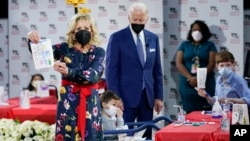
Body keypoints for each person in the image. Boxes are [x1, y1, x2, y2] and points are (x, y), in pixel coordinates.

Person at [27, 13, 105, 141]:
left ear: (92, 31)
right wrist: (32, 39)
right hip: (68, 104)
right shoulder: (63, 49)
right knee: (67, 134)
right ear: (73, 33)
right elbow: (40, 52)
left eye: (86, 28)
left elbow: (93, 75)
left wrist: (69, 71)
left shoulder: (98, 52)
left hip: (90, 103)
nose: (83, 32)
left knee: (91, 135)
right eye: (79, 29)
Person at [105, 2, 163, 139]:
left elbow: (157, 69)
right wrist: (115, 99)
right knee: (125, 136)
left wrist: (158, 96)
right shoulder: (117, 38)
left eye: (141, 20)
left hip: (147, 97)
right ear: (129, 18)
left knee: (147, 134)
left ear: (146, 19)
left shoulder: (153, 38)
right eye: (135, 20)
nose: (138, 22)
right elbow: (111, 71)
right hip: (124, 98)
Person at [175, 20, 217, 114]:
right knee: (190, 113)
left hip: (205, 84)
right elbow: (179, 63)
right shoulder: (185, 45)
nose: (197, 32)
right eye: (194, 30)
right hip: (187, 84)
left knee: (206, 111)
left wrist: (199, 79)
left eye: (199, 30)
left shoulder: (210, 45)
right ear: (191, 31)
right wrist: (190, 78)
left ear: (204, 32)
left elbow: (211, 64)